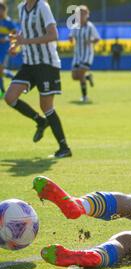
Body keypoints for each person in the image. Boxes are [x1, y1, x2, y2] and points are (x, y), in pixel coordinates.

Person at [5, 0, 72, 158]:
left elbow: (53, 35)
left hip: (46, 64)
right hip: (29, 63)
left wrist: (25, 41)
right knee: (9, 97)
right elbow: (26, 32)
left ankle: (64, 148)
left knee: (47, 106)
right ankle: (40, 121)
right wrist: (16, 44)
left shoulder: (42, 6)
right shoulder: (22, 7)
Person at [69, 5, 100, 103]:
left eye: (83, 13)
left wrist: (90, 41)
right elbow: (71, 36)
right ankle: (88, 77)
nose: (81, 15)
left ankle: (84, 96)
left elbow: (97, 38)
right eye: (79, 13)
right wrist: (70, 39)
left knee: (81, 73)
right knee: (75, 77)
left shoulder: (90, 26)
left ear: (87, 14)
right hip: (77, 55)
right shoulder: (75, 26)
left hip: (87, 54)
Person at [0, 2, 16, 99]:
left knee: (0, 70)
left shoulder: (8, 22)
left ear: (4, 10)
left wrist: (5, 39)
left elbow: (15, 35)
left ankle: (3, 90)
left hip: (4, 50)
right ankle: (12, 77)